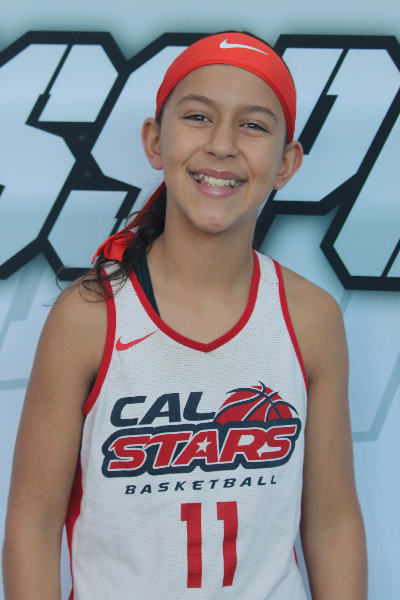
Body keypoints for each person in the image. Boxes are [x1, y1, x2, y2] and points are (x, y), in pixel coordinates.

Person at [2, 31, 367, 600]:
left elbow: (331, 522)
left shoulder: (311, 318)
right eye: (198, 117)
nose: (222, 145)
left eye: (253, 125)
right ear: (155, 140)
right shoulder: (89, 316)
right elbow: (32, 526)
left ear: (286, 162)